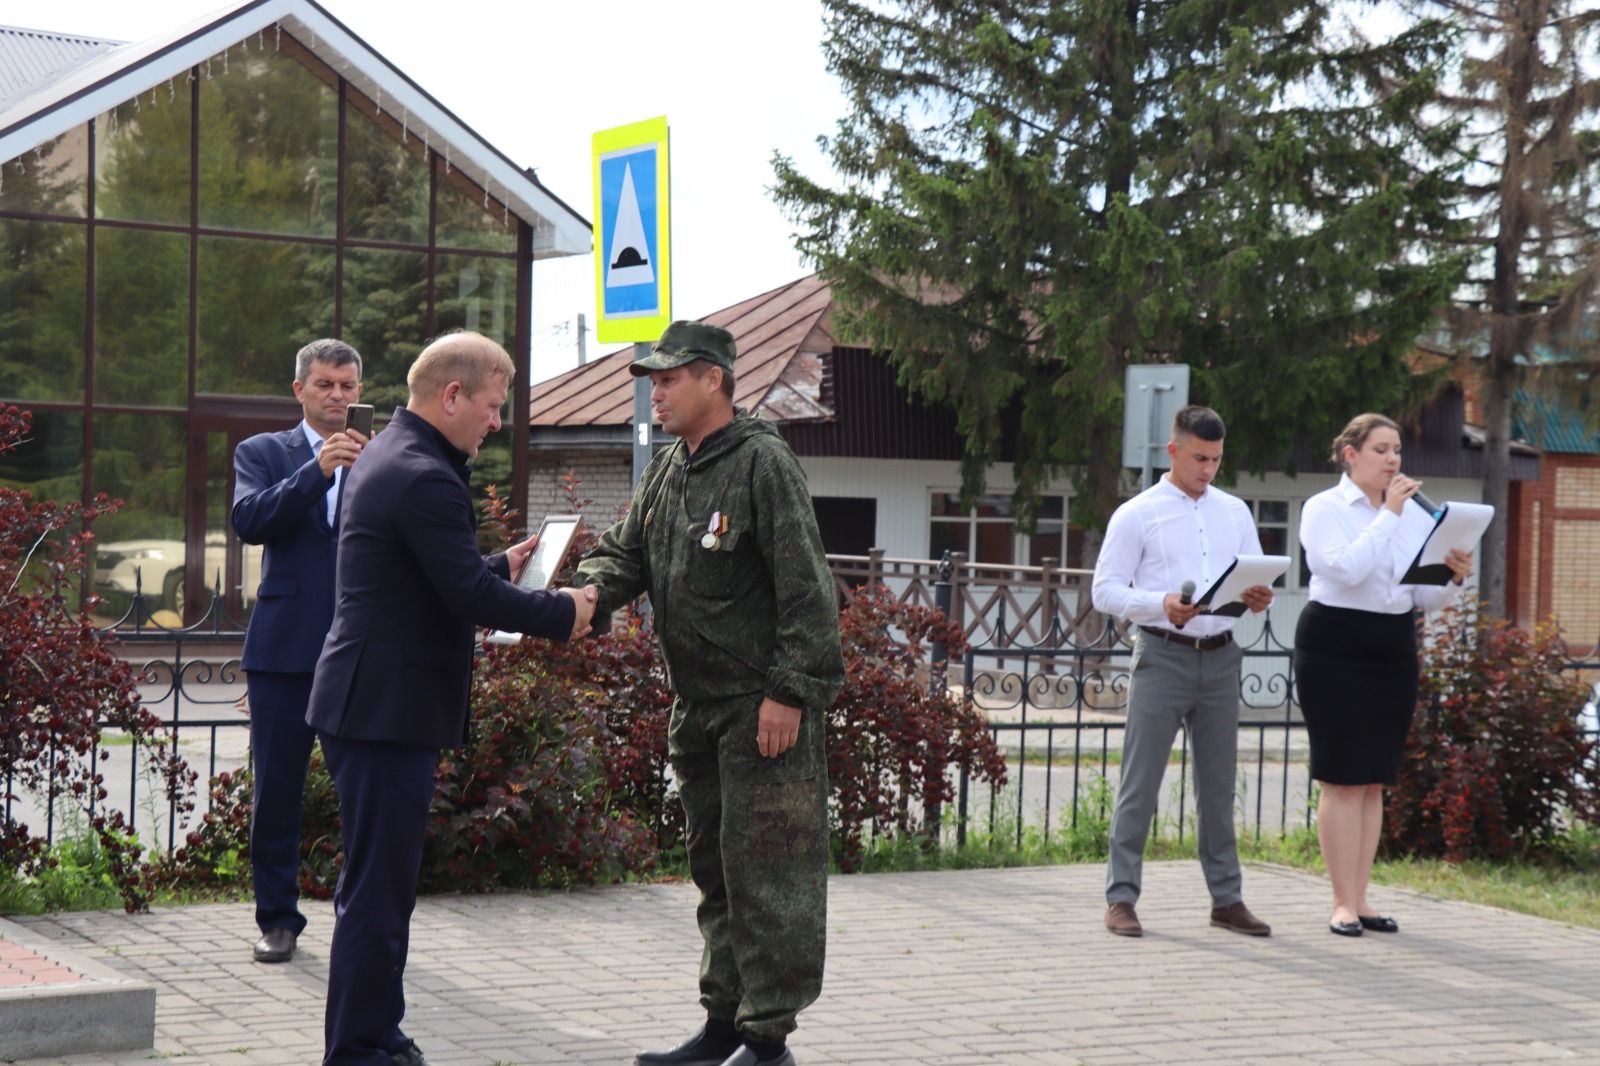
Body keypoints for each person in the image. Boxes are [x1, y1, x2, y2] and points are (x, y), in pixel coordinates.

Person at [305, 331, 598, 1066]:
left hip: (370, 704)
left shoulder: (392, 454)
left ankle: (376, 1034)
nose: (497, 422)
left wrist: (504, 562)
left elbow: (425, 571)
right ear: (453, 396)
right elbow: (464, 594)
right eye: (493, 406)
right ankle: (361, 1049)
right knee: (377, 895)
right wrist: (566, 610)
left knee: (378, 889)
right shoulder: (427, 473)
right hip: (384, 711)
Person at [573, 321, 844, 1066]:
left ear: (713, 380)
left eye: (668, 379)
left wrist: (789, 693)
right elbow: (624, 552)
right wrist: (582, 599)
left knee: (771, 877)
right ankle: (723, 1022)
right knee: (717, 872)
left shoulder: (763, 464)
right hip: (700, 711)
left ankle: (769, 1039)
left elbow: (809, 593)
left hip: (762, 711)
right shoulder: (671, 468)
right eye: (653, 380)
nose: (654, 392)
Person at [1091, 405, 1275, 938]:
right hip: (1162, 656)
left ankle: (1227, 900)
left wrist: (1258, 597)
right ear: (1173, 451)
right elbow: (1105, 590)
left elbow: (1253, 575)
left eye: (1216, 459)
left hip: (1221, 656)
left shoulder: (1235, 512)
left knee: (1219, 788)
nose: (1209, 469)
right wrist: (1159, 603)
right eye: (1199, 457)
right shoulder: (1137, 514)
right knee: (1140, 783)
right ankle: (1121, 898)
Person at [1295, 413, 1472, 937]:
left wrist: (1452, 576)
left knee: (1374, 779)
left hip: (1392, 646)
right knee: (1342, 777)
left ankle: (1363, 897)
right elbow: (1345, 570)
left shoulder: (1416, 516)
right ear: (1351, 455)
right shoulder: (1323, 509)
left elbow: (1422, 596)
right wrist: (1389, 515)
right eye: (1381, 450)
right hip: (1334, 644)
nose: (1393, 460)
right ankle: (1340, 902)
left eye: (1397, 450)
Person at [231, 338, 367, 965]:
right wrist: (316, 473)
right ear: (300, 391)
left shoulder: (381, 456)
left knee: (365, 794)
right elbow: (251, 520)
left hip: (358, 651)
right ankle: (278, 921)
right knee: (277, 793)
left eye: (347, 385)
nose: (337, 395)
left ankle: (362, 920)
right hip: (283, 653)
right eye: (325, 385)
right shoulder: (262, 453)